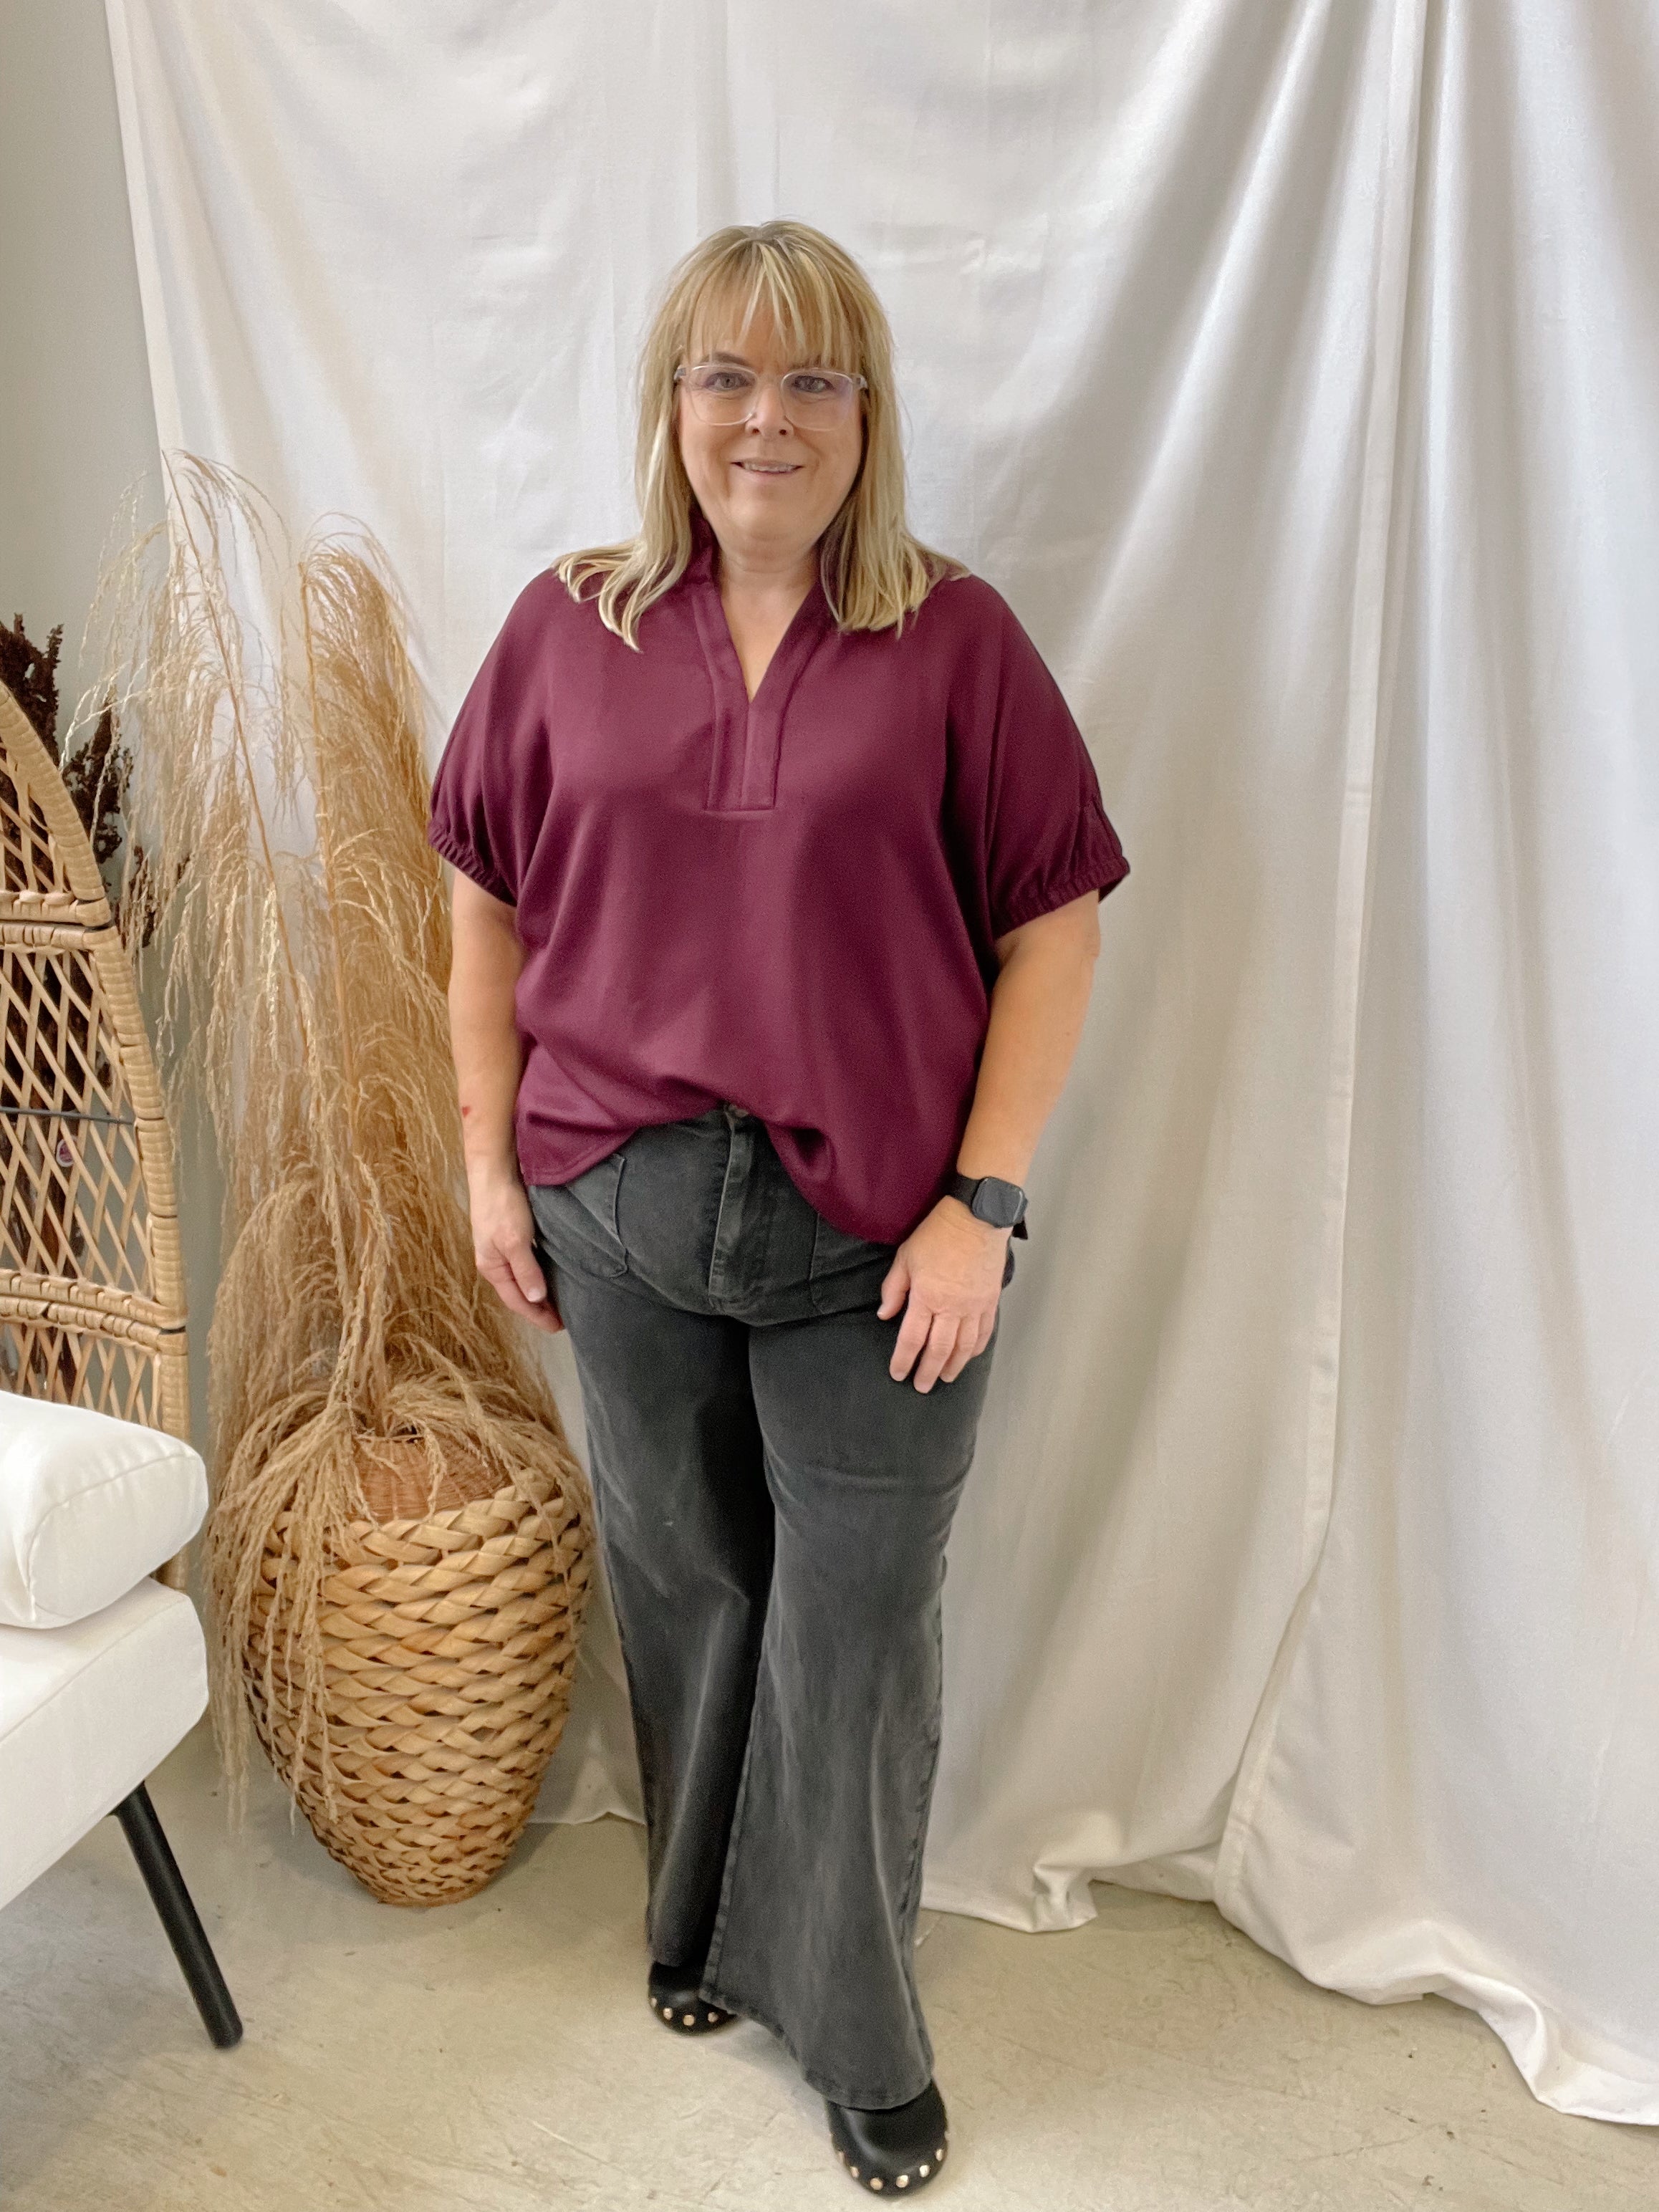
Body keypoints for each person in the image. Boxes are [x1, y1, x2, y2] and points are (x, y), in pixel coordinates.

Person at [430, 218, 1129, 2197]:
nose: (766, 417)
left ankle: (859, 2029)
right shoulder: (567, 626)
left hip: (876, 1232)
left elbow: (1051, 926)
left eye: (812, 378)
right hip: (618, 1198)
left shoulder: (952, 639)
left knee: (856, 1626)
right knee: (689, 1583)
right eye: (725, 376)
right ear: (670, 407)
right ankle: (698, 1933)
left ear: (865, 415)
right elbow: (479, 900)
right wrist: (492, 1165)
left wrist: (982, 1202)